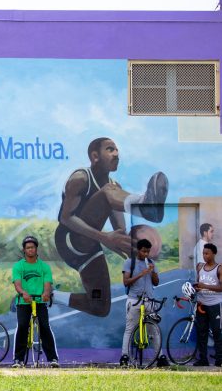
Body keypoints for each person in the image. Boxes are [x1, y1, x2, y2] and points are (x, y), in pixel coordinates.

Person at [54, 137, 168, 317]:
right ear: (95, 156)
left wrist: (138, 246)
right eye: (110, 149)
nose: (116, 154)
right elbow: (66, 218)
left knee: (100, 306)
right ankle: (143, 204)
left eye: (117, 150)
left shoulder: (115, 188)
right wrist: (105, 238)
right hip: (70, 239)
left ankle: (52, 296)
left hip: (90, 245)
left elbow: (119, 232)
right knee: (108, 190)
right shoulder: (81, 178)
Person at [11, 236, 59, 368]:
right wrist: (23, 293)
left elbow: (47, 283)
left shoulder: (44, 266)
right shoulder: (18, 266)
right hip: (23, 302)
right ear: (24, 250)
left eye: (32, 247)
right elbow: (17, 284)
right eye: (28, 248)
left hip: (39, 301)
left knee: (44, 326)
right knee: (22, 326)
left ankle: (53, 359)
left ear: (36, 249)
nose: (30, 249)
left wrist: (46, 293)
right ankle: (18, 360)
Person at [119, 238, 159, 367]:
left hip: (149, 300)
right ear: (138, 250)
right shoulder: (129, 262)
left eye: (148, 252)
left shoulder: (151, 263)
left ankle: (159, 356)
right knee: (130, 329)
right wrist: (141, 274)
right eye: (143, 251)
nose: (146, 254)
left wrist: (152, 272)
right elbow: (126, 282)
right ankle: (125, 356)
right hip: (134, 300)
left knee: (153, 330)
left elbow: (156, 283)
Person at [192, 243, 222, 367]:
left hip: (215, 304)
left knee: (216, 332)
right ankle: (203, 359)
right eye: (203, 253)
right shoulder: (200, 267)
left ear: (213, 254)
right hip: (201, 304)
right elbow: (199, 283)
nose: (205, 256)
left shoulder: (219, 268)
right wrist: (197, 288)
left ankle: (219, 360)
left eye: (207, 253)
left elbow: (221, 288)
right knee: (201, 332)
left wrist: (205, 286)